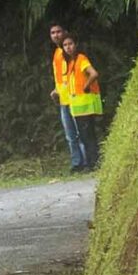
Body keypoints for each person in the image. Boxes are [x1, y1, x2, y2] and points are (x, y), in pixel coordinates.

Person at [59, 32, 103, 170]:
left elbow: (94, 73)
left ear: (75, 44)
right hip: (78, 105)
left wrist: (86, 85)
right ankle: (92, 162)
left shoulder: (81, 59)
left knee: (87, 135)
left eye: (70, 44)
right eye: (65, 45)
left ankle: (93, 164)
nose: (68, 47)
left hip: (86, 104)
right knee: (85, 135)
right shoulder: (71, 62)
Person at [49, 22, 87, 171]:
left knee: (79, 131)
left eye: (58, 31)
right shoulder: (57, 53)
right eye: (53, 33)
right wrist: (56, 90)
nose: (56, 35)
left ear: (64, 32)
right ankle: (76, 162)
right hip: (63, 98)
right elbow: (60, 76)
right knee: (70, 134)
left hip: (75, 96)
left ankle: (85, 161)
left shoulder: (71, 52)